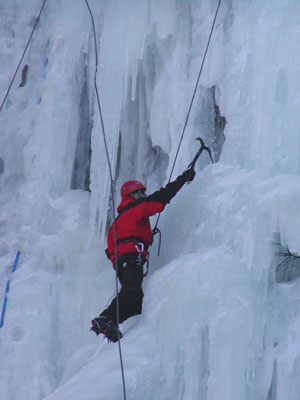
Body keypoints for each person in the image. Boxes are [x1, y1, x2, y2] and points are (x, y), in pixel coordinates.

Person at [91, 168, 195, 341]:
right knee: (131, 292)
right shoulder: (136, 208)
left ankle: (111, 323)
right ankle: (105, 318)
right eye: (138, 192)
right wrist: (182, 179)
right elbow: (161, 198)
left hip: (122, 262)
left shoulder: (118, 221)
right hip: (132, 258)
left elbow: (109, 250)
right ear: (130, 196)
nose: (142, 194)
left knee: (136, 302)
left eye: (143, 191)